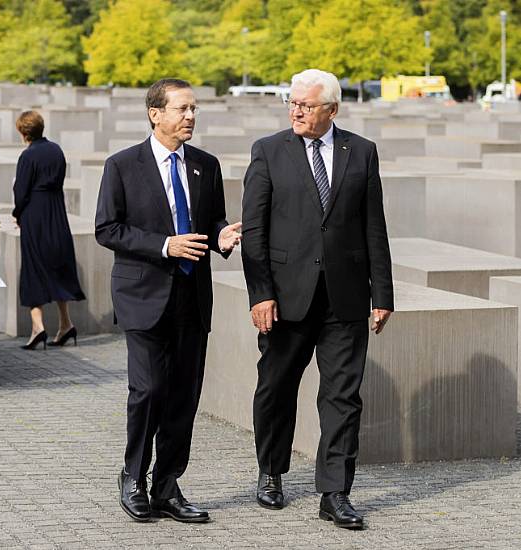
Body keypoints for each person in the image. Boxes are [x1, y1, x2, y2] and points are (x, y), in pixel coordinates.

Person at [241, 69, 394, 530]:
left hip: (345, 299)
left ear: (332, 109)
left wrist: (382, 293)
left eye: (305, 105)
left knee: (343, 397)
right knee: (276, 389)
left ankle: (335, 493)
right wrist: (261, 293)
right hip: (285, 300)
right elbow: (254, 232)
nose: (296, 111)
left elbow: (374, 226)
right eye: (292, 103)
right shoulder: (268, 151)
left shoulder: (361, 152)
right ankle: (271, 472)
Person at [95, 78, 242, 524]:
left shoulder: (206, 165)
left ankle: (167, 486)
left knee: (183, 397)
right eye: (182, 108)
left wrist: (221, 235)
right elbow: (108, 229)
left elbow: (210, 219)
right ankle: (132, 478)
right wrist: (164, 245)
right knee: (149, 390)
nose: (190, 116)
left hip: (191, 299)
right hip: (142, 297)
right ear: (155, 114)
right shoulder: (122, 165)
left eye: (194, 109)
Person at [12, 110, 85, 350]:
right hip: (56, 211)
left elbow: (21, 190)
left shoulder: (28, 156)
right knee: (58, 264)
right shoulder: (56, 150)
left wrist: (18, 213)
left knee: (34, 266)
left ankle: (38, 327)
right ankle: (65, 324)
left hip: (35, 213)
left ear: (23, 132)